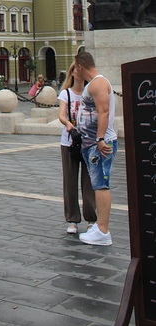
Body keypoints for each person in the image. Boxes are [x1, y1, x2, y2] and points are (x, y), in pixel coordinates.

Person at [74, 50, 117, 246]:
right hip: (91, 144)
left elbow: (104, 111)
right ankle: (100, 227)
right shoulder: (93, 84)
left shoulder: (98, 83)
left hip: (99, 144)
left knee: (101, 185)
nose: (75, 72)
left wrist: (100, 138)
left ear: (81, 67)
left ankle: (102, 231)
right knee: (98, 184)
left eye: (76, 68)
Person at [57, 63, 96, 235]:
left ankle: (91, 218)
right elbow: (61, 114)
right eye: (75, 69)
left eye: (81, 68)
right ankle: (72, 219)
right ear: (72, 72)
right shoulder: (66, 93)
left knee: (89, 182)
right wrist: (68, 125)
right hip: (69, 142)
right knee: (70, 182)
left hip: (89, 142)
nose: (78, 72)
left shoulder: (91, 92)